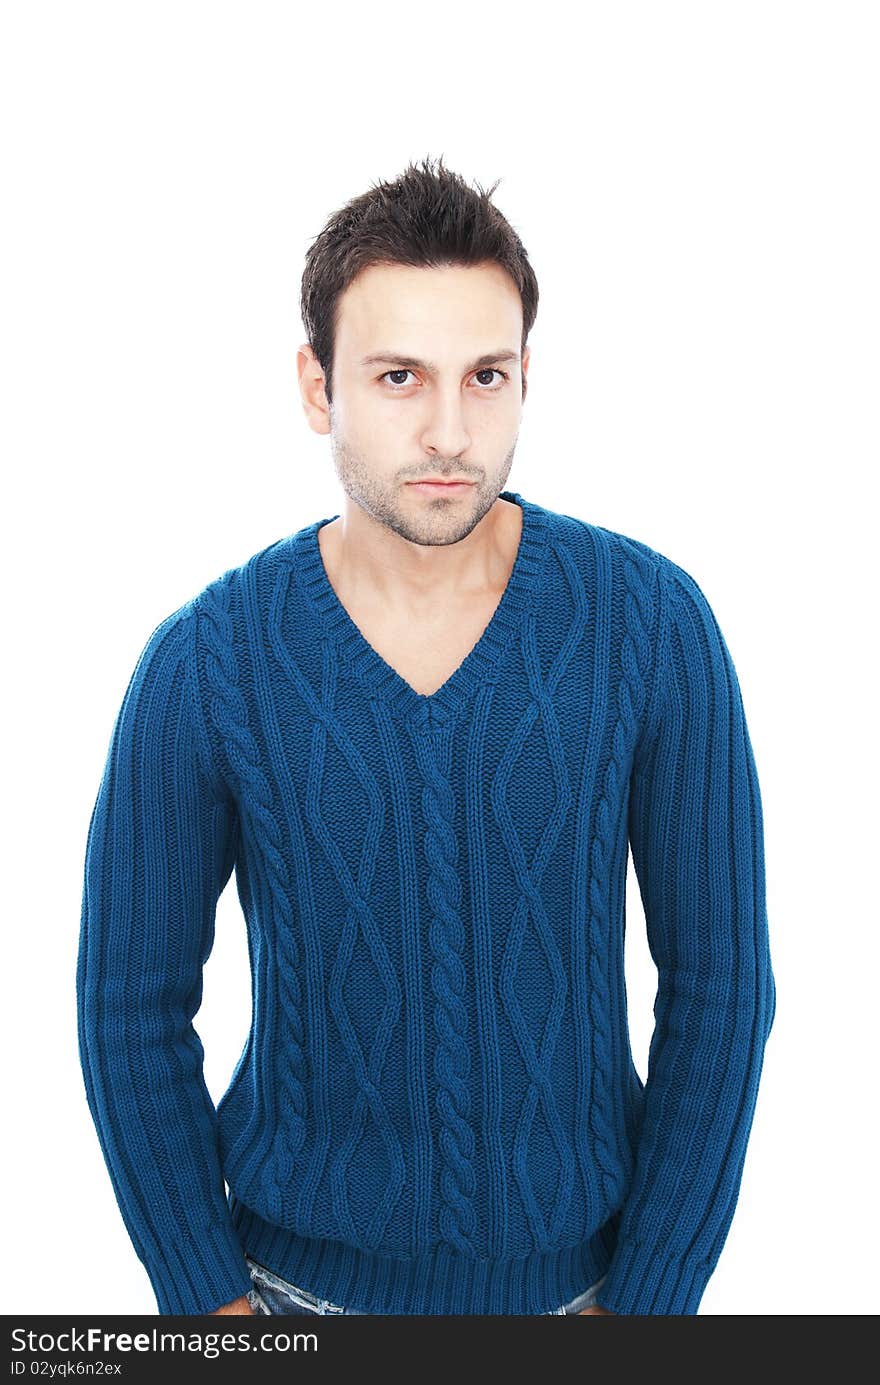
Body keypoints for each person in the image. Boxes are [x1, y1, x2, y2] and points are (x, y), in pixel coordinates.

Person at [76, 156, 776, 1318]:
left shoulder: (652, 627)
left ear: (523, 378)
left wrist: (651, 1305)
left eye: (484, 377)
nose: (450, 429)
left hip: (591, 1294)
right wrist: (206, 1306)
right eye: (398, 376)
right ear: (318, 386)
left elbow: (720, 989)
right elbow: (127, 1002)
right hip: (283, 1289)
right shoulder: (207, 663)